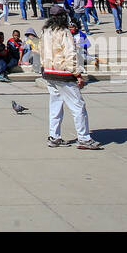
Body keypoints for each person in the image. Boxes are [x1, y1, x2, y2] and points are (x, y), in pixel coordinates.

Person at [39, 10, 100, 149]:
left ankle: (54, 136)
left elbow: (41, 51)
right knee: (78, 106)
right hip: (63, 73)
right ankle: (84, 138)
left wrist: (44, 67)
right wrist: (77, 74)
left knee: (55, 105)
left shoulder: (45, 32)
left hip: (49, 72)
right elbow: (70, 54)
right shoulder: (64, 32)